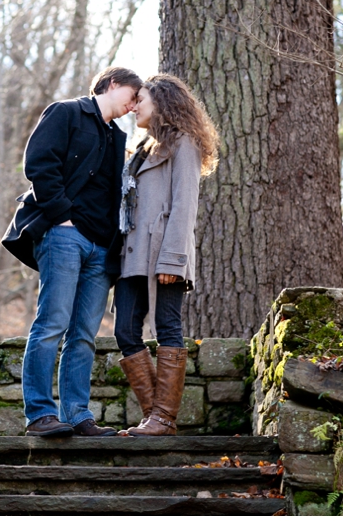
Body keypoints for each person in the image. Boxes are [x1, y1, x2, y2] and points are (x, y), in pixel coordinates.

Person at [2, 67, 142, 437]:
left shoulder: (117, 137)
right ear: (112, 84)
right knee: (52, 323)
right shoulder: (65, 112)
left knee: (83, 335)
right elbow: (38, 163)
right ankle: (40, 415)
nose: (133, 104)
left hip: (102, 249)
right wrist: (62, 217)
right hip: (64, 236)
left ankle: (78, 415)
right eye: (131, 94)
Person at [114, 74, 220, 437]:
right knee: (125, 329)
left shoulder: (184, 144)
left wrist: (173, 259)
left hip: (164, 253)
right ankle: (153, 417)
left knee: (167, 326)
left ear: (160, 101)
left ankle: (162, 420)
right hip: (132, 255)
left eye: (140, 99)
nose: (135, 106)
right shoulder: (143, 148)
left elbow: (184, 205)